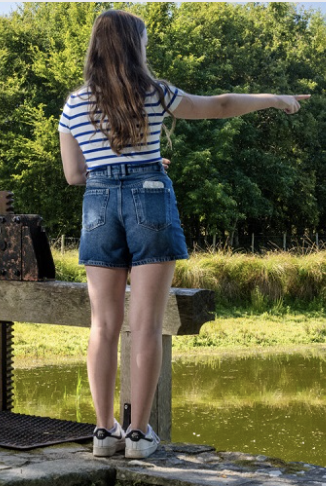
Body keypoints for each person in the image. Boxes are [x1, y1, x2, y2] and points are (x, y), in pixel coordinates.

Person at [58, 9, 308, 459]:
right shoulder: (153, 92)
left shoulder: (74, 104)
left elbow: (74, 173)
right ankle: (137, 435)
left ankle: (102, 432)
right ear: (134, 46)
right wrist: (275, 98)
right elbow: (220, 105)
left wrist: (120, 170)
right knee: (147, 324)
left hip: (97, 201)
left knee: (103, 325)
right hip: (150, 194)